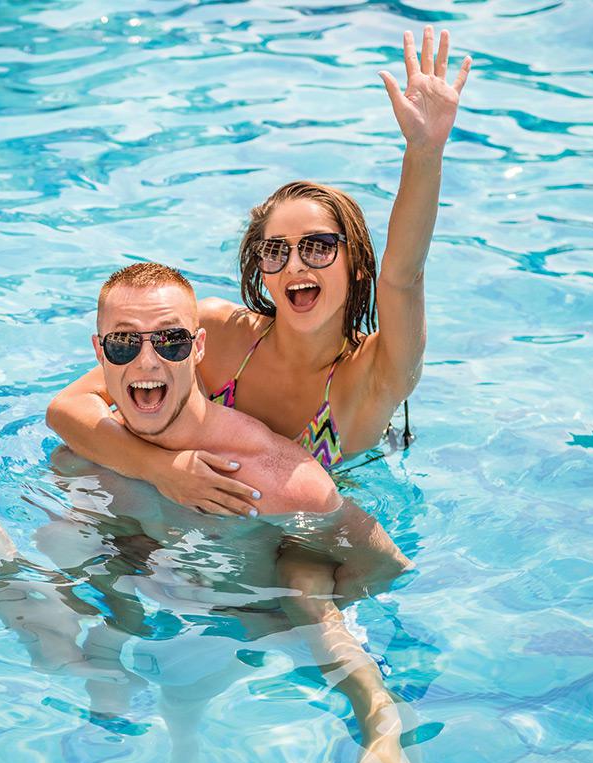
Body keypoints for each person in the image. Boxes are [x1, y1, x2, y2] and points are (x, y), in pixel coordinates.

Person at [46, 26, 472, 514]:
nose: (294, 264)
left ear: (357, 266)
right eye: (276, 250)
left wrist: (425, 152)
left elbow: (404, 275)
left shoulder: (375, 374)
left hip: (309, 529)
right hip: (193, 510)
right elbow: (68, 409)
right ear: (261, 269)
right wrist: (160, 471)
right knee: (75, 466)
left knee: (305, 578)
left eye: (317, 247)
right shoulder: (216, 332)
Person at [37, 262, 414, 763]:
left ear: (198, 348)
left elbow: (386, 565)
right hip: (183, 608)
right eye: (124, 343)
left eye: (169, 341)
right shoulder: (90, 454)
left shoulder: (280, 481)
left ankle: (382, 727)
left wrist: (293, 590)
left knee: (311, 599)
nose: (146, 360)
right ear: (100, 353)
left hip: (270, 619)